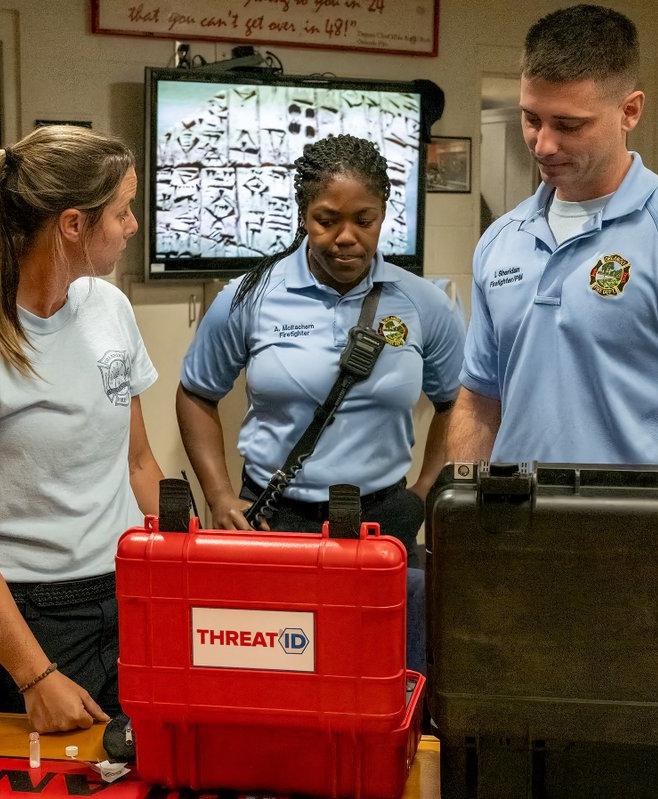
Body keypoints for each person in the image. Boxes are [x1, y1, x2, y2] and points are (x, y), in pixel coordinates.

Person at [0, 125, 163, 732]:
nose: (132, 226)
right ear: (73, 225)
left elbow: (139, 463)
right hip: (29, 618)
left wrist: (193, 569)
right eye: (122, 212)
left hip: (130, 594)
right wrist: (35, 675)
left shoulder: (110, 308)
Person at [176, 134, 464, 673]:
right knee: (280, 677)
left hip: (380, 527)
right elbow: (196, 393)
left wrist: (428, 490)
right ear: (302, 213)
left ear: (384, 214)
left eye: (365, 219)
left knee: (378, 678)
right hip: (273, 523)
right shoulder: (248, 296)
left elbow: (457, 403)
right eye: (326, 219)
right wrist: (217, 495)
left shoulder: (423, 303)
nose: (346, 238)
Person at [449, 4, 658, 475]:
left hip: (640, 537)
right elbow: (479, 403)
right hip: (512, 537)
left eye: (569, 125)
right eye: (532, 119)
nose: (543, 144)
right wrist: (457, 518)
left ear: (630, 111)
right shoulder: (502, 239)